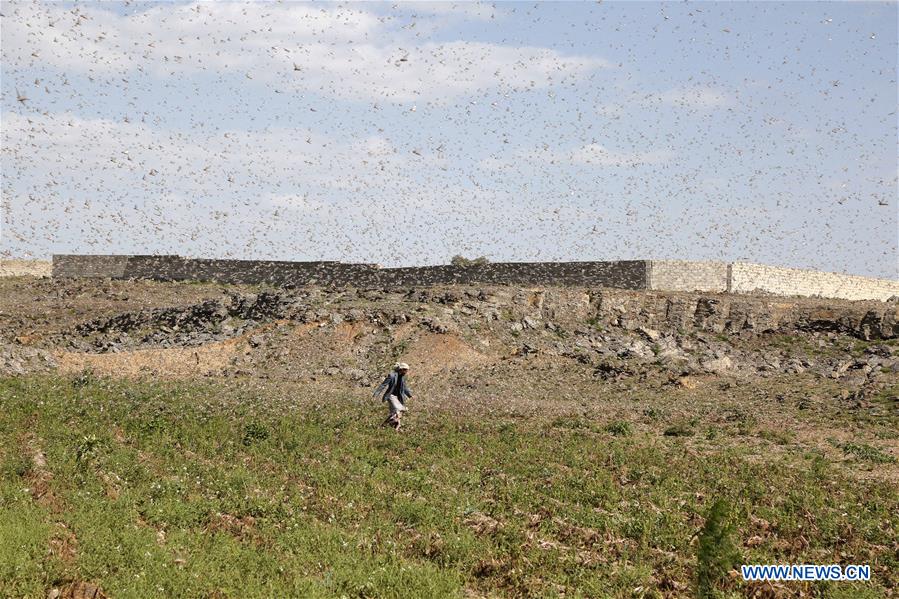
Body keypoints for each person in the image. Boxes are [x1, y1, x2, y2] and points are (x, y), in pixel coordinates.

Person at [372, 362, 413, 430]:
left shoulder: (403, 377)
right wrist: (376, 394)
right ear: (402, 369)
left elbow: (404, 387)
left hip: (398, 397)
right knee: (399, 409)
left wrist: (409, 395)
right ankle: (390, 426)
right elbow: (383, 385)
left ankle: (387, 426)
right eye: (405, 370)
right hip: (391, 396)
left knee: (395, 414)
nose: (406, 371)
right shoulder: (392, 375)